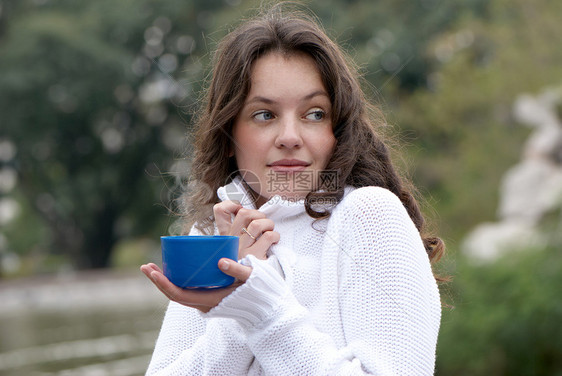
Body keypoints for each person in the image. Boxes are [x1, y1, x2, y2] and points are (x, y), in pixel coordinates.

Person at [140, 5, 445, 375]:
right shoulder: (213, 235)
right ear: (228, 137)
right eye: (264, 115)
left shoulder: (369, 214)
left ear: (338, 130)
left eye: (314, 113)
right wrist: (238, 307)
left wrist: (259, 304)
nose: (289, 137)